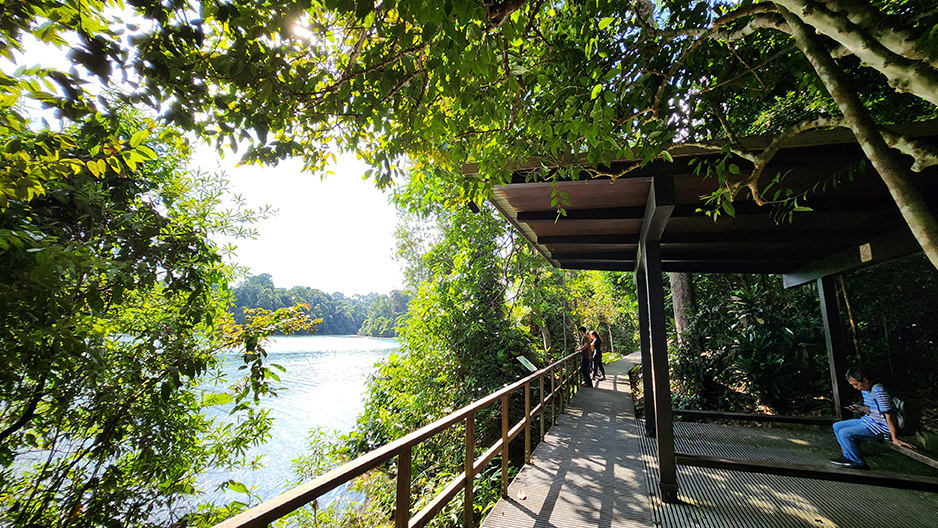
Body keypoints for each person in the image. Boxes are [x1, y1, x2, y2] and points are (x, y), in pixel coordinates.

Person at [830, 366, 914, 471]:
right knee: (837, 426)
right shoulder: (865, 389)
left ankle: (859, 463)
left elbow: (889, 414)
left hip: (881, 426)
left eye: (856, 384)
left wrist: (894, 438)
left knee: (845, 433)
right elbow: (873, 410)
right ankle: (848, 456)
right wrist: (861, 408)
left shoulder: (879, 390)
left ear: (865, 380)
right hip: (870, 421)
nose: (855, 387)